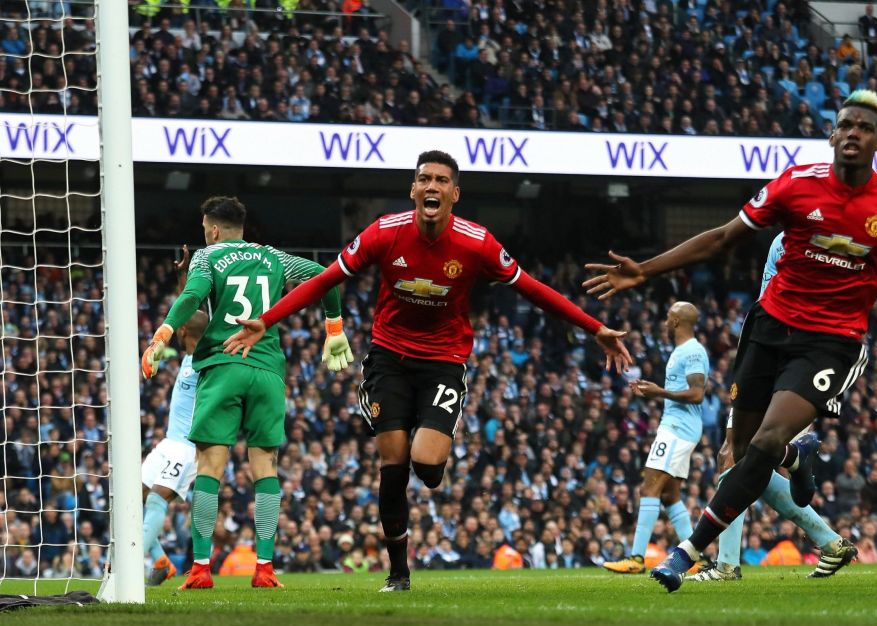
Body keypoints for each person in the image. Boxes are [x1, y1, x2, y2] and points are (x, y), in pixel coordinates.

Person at [584, 90, 877, 593]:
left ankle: (686, 553)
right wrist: (647, 269)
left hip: (831, 342)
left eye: (864, 128)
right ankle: (798, 456)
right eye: (846, 125)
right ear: (833, 135)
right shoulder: (795, 185)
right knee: (743, 450)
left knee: (765, 441)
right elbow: (724, 238)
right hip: (769, 328)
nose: (853, 133)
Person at [224, 150, 631, 592]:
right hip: (389, 358)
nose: (431, 186)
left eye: (441, 180)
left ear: (454, 194)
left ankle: (433, 452)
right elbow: (325, 280)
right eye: (424, 179)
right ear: (413, 190)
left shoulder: (477, 243)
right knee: (393, 466)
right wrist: (267, 319)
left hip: (443, 361)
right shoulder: (384, 232)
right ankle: (398, 574)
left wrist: (594, 328)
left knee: (427, 465)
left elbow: (533, 289)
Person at [141, 196, 351, 590]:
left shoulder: (207, 257)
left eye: (206, 230)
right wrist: (334, 327)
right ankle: (265, 568)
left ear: (214, 230)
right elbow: (326, 275)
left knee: (210, 468)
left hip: (223, 365)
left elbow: (192, 296)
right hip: (268, 369)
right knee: (265, 467)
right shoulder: (273, 257)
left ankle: (201, 569)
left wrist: (162, 334)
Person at [686, 233, 857, 582]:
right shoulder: (788, 237)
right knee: (739, 458)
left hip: (790, 366)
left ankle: (727, 566)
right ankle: (829, 541)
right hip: (771, 355)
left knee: (743, 459)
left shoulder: (821, 240)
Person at [602, 302, 708, 574]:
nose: (664, 321)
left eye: (668, 316)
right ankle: (696, 559)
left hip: (678, 428)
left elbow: (697, 394)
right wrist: (653, 391)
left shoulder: (694, 351)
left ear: (675, 322)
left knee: (648, 489)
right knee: (670, 495)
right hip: (677, 425)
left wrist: (658, 392)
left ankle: (636, 558)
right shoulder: (682, 351)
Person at [140, 246, 207, 587]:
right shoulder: (188, 356)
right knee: (129, 497)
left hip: (185, 448)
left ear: (181, 332)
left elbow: (190, 313)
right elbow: (189, 306)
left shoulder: (206, 361)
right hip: (168, 443)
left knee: (155, 498)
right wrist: (183, 276)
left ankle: (126, 566)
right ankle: (160, 561)